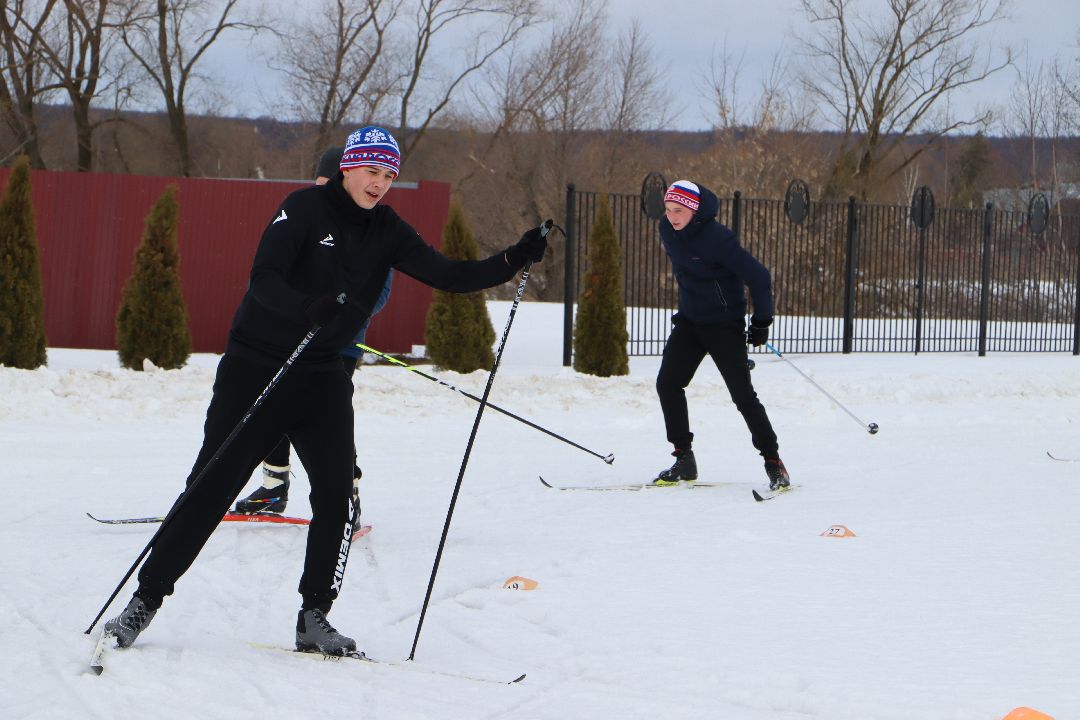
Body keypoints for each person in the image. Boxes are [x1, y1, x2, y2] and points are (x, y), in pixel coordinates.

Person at [103, 125, 548, 655]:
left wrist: (513, 258)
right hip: (258, 368)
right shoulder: (302, 209)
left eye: (389, 175)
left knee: (338, 495)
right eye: (371, 171)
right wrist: (305, 307)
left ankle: (314, 615)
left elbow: (448, 274)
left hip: (321, 375)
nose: (379, 183)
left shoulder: (388, 229)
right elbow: (263, 278)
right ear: (348, 167)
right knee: (211, 487)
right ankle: (145, 601)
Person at [234, 146, 394, 530]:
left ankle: (345, 498)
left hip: (337, 345)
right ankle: (273, 487)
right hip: (287, 339)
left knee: (327, 419)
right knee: (270, 406)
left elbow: (379, 291)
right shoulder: (302, 213)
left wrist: (339, 315)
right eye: (322, 184)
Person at [652, 179, 789, 491]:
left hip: (724, 324)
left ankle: (773, 461)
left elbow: (759, 276)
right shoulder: (665, 229)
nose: (672, 216)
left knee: (743, 396)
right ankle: (684, 458)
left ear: (695, 210)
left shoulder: (717, 238)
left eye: (679, 210)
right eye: (668, 209)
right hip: (689, 321)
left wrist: (762, 321)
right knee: (668, 384)